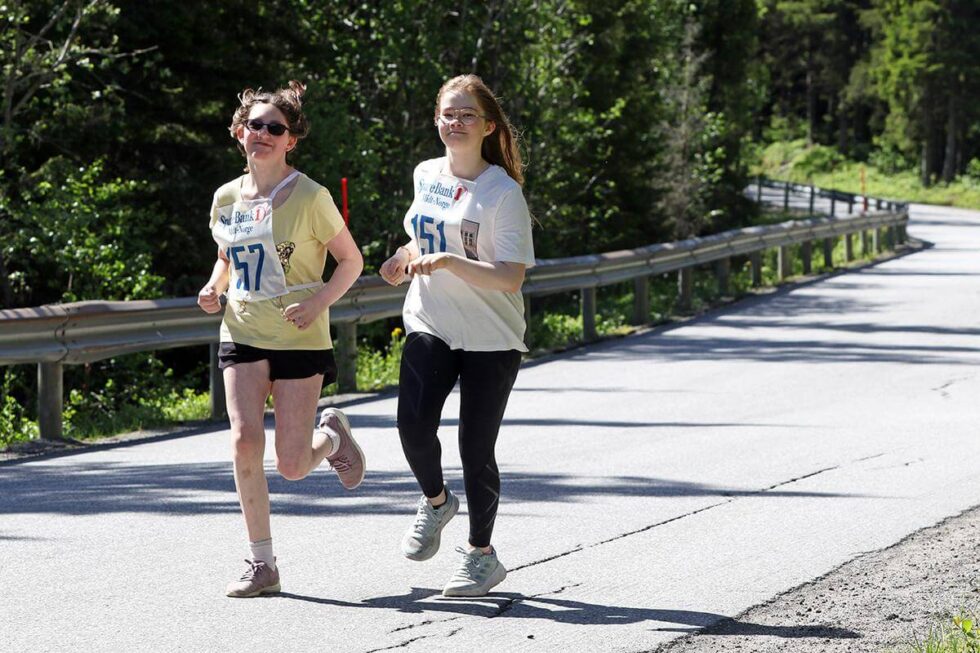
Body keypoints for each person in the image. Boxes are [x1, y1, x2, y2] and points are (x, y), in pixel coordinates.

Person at [197, 81, 365, 598]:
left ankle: (333, 437)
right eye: (256, 126)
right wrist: (213, 286)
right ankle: (261, 563)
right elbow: (228, 258)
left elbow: (351, 262)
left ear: (290, 140)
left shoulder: (312, 197)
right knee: (245, 440)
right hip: (243, 331)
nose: (264, 134)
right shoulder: (226, 197)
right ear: (239, 132)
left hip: (299, 337)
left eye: (276, 128)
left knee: (291, 465)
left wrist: (318, 303)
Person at [379, 74, 535, 597]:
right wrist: (401, 259)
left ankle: (481, 556)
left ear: (488, 126)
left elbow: (510, 276)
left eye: (467, 115)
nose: (456, 123)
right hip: (431, 319)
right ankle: (437, 500)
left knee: (475, 446)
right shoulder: (426, 173)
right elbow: (419, 235)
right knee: (413, 425)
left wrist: (450, 261)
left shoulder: (502, 193)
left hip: (492, 334)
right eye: (448, 113)